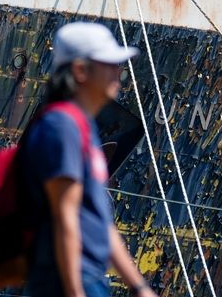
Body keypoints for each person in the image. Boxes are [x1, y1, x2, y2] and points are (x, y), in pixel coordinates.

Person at [20, 22, 158, 297]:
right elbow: (65, 216)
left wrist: (139, 286)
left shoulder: (84, 130)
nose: (119, 72)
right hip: (64, 280)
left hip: (89, 276)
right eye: (109, 64)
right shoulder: (61, 127)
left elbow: (99, 219)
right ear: (81, 71)